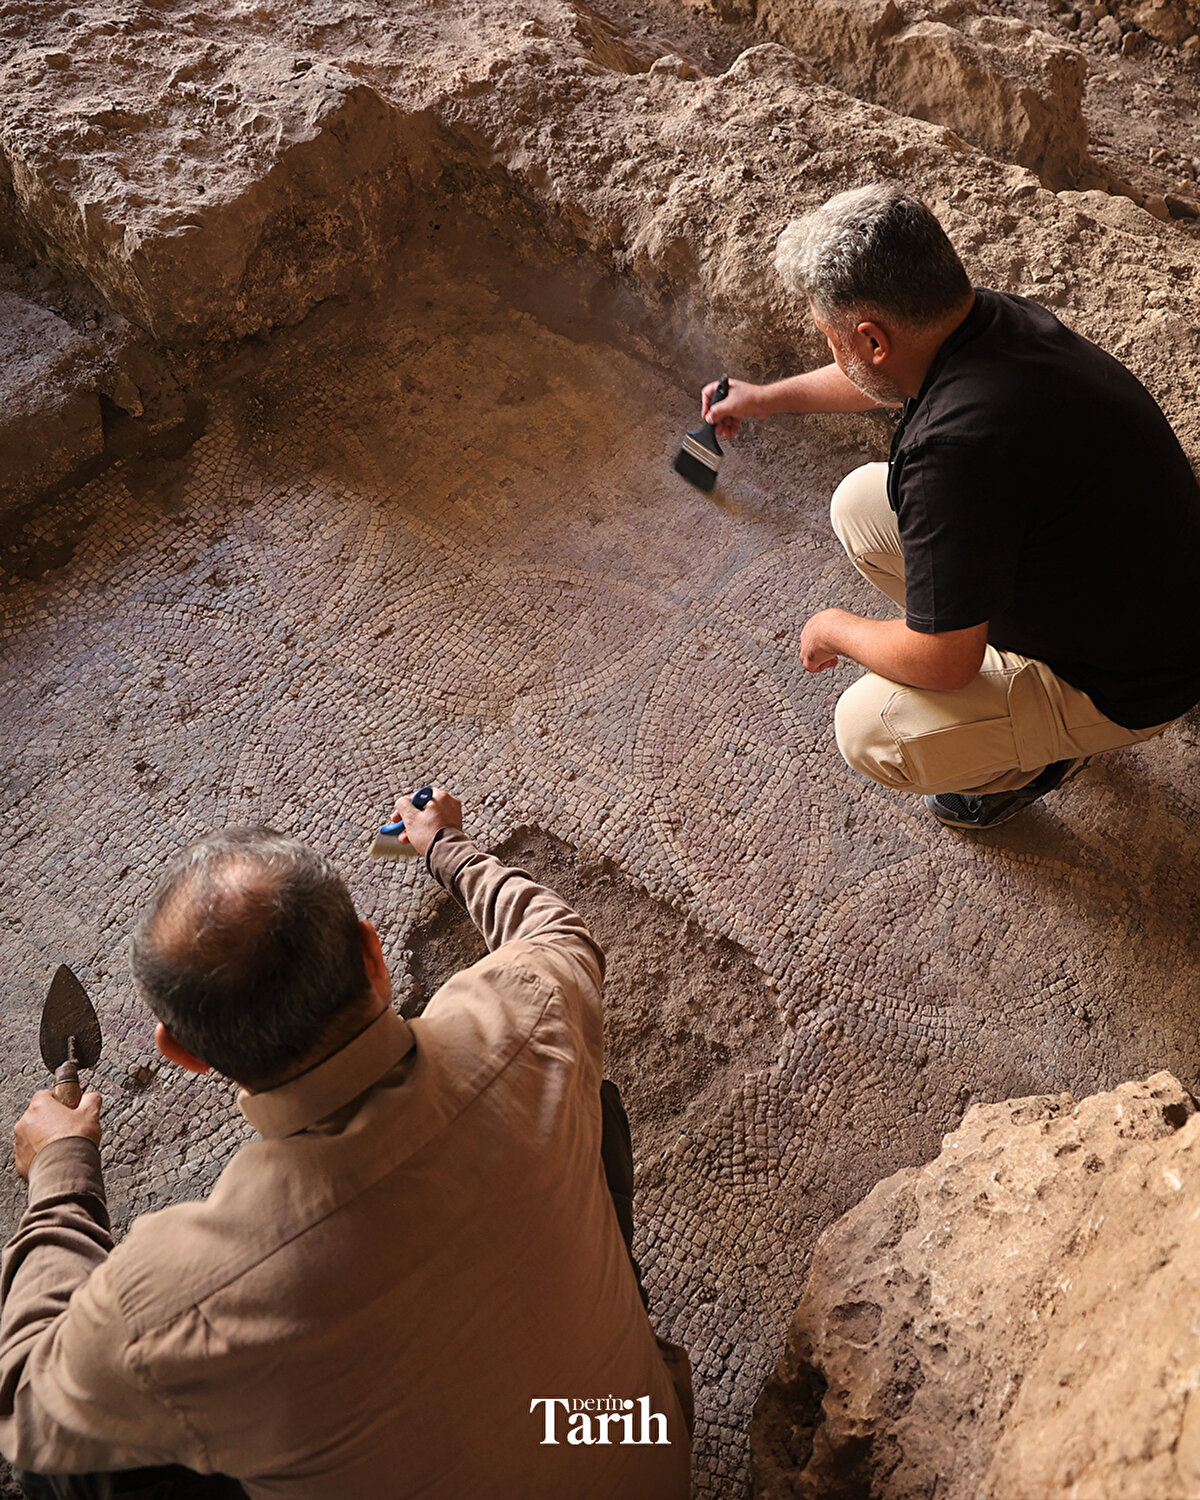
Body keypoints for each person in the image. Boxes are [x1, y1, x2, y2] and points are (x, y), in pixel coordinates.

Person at [0, 791, 691, 1499]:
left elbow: (27, 1404)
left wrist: (60, 1174)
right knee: (585, 1096)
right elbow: (554, 929)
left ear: (183, 1053)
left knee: (67, 1468)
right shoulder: (527, 1011)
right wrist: (442, 845)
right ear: (372, 951)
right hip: (646, 1459)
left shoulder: (170, 1293)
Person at [704, 182, 1200, 829]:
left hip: (1133, 680)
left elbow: (945, 663)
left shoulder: (953, 456)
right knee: (859, 502)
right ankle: (1007, 690)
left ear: (873, 339)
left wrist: (833, 627)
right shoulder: (985, 322)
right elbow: (871, 379)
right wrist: (763, 398)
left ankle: (1034, 761)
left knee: (867, 730)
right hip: (1133, 594)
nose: (834, 352)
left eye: (832, 338)